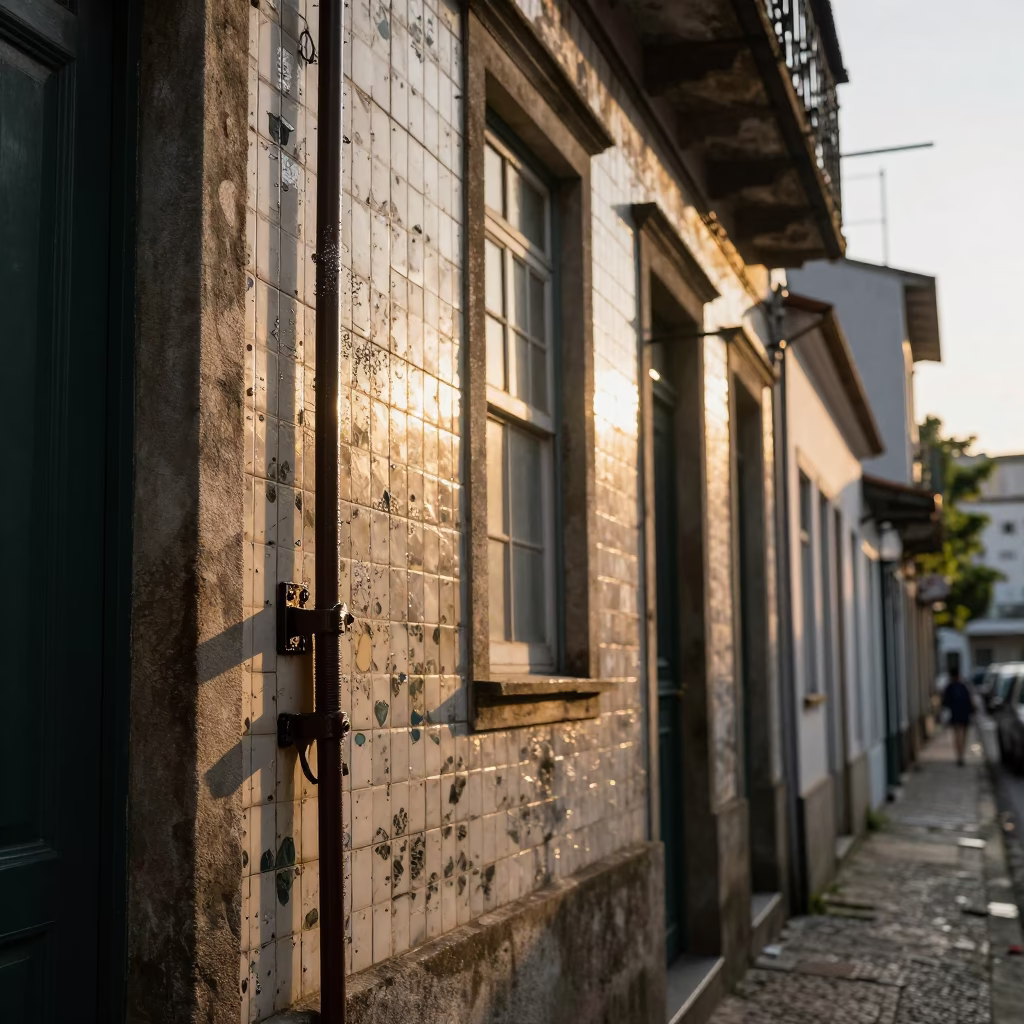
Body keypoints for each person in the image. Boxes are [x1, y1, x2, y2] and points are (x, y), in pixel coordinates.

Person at [942, 667, 974, 766]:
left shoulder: (950, 687)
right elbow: (970, 700)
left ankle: (960, 754)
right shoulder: (963, 686)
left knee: (958, 735)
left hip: (956, 714)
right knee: (962, 735)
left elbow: (945, 702)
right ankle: (961, 754)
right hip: (964, 714)